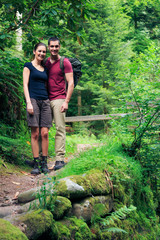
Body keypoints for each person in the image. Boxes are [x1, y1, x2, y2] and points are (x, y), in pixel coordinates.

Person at [23, 42, 52, 175]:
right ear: (34, 51)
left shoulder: (45, 69)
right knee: (35, 133)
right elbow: (25, 85)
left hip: (45, 101)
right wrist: (28, 102)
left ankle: (44, 162)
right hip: (33, 100)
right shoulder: (28, 66)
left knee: (45, 133)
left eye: (43, 52)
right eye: (39, 51)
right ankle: (35, 163)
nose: (41, 53)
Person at [45, 37, 74, 171]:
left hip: (59, 99)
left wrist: (66, 101)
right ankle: (40, 159)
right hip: (45, 99)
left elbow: (71, 82)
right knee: (42, 130)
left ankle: (59, 160)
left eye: (56, 46)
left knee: (60, 129)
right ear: (48, 47)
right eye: (52, 46)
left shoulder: (65, 62)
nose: (54, 49)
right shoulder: (45, 63)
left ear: (59, 47)